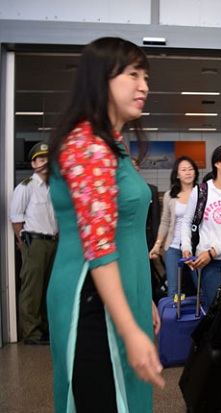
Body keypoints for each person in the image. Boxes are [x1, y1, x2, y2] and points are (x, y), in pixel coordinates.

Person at [47, 37, 164, 413]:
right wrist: (130, 331)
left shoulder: (112, 143)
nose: (143, 85)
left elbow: (123, 230)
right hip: (92, 296)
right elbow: (99, 246)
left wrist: (141, 297)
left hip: (118, 290)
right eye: (132, 74)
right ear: (100, 79)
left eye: (145, 76)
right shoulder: (87, 143)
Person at [10, 141, 58, 346]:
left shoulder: (54, 188)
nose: (45, 162)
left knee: (48, 288)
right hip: (35, 242)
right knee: (32, 289)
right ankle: (31, 333)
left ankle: (45, 328)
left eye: (47, 158)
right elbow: (16, 219)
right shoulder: (26, 187)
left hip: (53, 242)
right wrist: (23, 243)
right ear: (33, 164)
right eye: (40, 159)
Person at [181, 144, 221, 306]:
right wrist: (186, 248)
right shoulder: (201, 191)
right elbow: (186, 222)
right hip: (207, 264)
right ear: (217, 163)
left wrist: (213, 252)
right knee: (215, 310)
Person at [149, 155, 199, 298]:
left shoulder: (202, 193)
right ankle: (174, 318)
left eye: (190, 169)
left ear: (195, 172)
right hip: (174, 247)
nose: (188, 172)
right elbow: (165, 222)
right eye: (183, 170)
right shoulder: (170, 196)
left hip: (196, 248)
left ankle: (202, 318)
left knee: (200, 287)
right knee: (173, 290)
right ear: (177, 174)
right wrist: (157, 245)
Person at [132, 157, 165, 302]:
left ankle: (150, 299)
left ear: (139, 168)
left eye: (134, 166)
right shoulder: (117, 191)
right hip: (128, 238)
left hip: (147, 237)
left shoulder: (150, 189)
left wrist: (157, 243)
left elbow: (156, 217)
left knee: (148, 271)